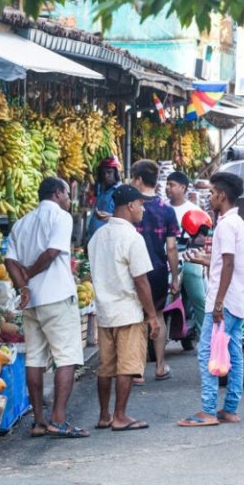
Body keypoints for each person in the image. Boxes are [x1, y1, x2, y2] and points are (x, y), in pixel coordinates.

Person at [5, 177, 88, 438]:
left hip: (32, 302)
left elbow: (9, 261)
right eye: (66, 193)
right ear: (57, 193)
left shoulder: (22, 223)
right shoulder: (61, 218)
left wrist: (24, 287)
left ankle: (39, 421)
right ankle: (59, 419)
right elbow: (53, 253)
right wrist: (29, 273)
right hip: (58, 296)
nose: (68, 198)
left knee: (35, 359)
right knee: (67, 357)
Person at [179, 172, 244, 427]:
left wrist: (218, 302)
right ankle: (229, 408)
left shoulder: (226, 226)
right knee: (233, 354)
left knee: (207, 353)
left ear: (222, 195)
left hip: (224, 302)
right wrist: (201, 259)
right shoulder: (239, 224)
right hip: (236, 300)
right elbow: (226, 262)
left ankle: (208, 410)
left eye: (211, 193)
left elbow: (228, 263)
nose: (209, 197)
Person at [89, 184, 162, 431]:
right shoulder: (132, 237)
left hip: (105, 311)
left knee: (105, 366)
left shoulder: (98, 236)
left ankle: (104, 415)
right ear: (130, 205)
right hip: (128, 311)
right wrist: (152, 316)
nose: (142, 209)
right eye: (141, 204)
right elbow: (141, 280)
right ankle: (120, 416)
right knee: (128, 365)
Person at [130, 159, 179, 382]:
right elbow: (171, 247)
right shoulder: (167, 210)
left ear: (139, 180)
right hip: (158, 270)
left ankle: (137, 371)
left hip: (133, 271)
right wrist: (175, 277)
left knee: (138, 318)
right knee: (157, 315)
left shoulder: (130, 207)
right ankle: (160, 366)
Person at [165, 171, 208, 348]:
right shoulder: (162, 208)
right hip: (165, 258)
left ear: (183, 187)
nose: (168, 188)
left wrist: (192, 243)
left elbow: (202, 239)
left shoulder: (194, 210)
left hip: (188, 258)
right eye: (167, 184)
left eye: (172, 184)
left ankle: (205, 336)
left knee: (198, 296)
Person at [86, 156, 123, 242]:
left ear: (116, 173)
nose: (106, 176)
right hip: (94, 239)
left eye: (109, 172)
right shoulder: (101, 191)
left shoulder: (120, 192)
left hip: (108, 241)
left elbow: (123, 219)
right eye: (103, 173)